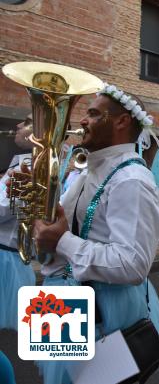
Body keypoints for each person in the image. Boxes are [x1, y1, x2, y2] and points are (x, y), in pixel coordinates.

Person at [32, 83, 159, 383]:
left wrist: (62, 240)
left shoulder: (131, 179)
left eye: (94, 114)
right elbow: (61, 233)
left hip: (103, 309)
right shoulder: (88, 172)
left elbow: (133, 264)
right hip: (65, 302)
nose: (83, 120)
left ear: (122, 121)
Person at [0, 115, 36, 383]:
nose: (18, 127)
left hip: (4, 256)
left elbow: (4, 210)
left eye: (26, 122)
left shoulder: (29, 165)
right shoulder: (21, 162)